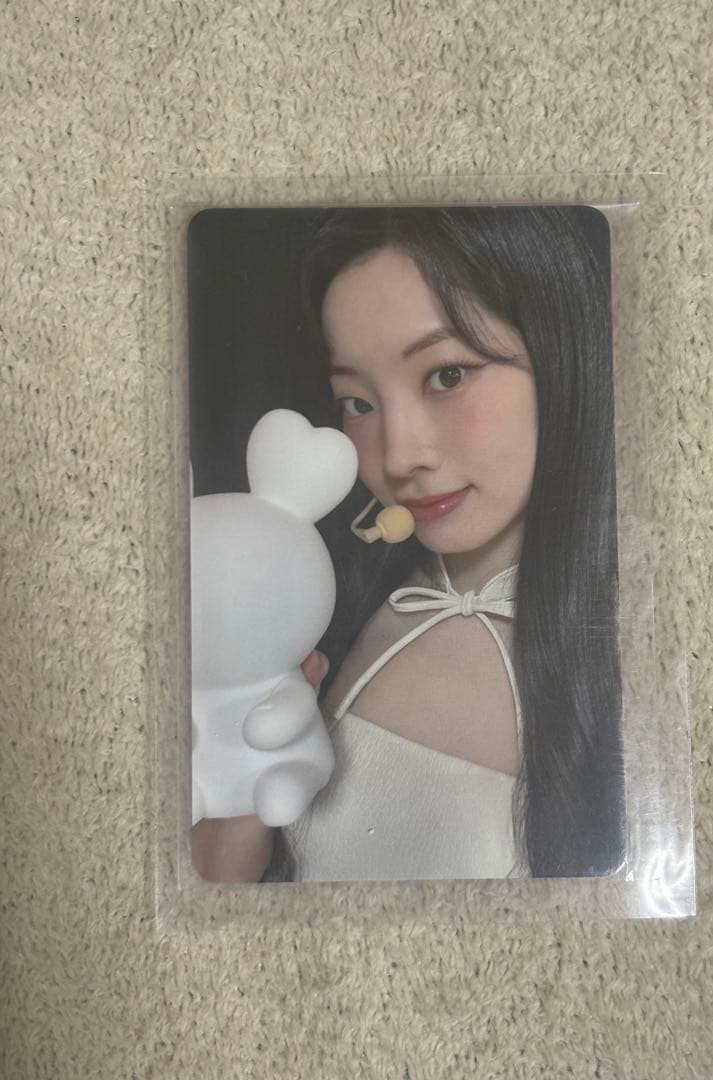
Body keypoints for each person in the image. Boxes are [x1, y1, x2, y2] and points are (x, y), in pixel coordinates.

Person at [191, 205, 626, 883]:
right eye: (357, 403)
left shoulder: (645, 652)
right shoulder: (321, 618)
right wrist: (235, 817)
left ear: (561, 354)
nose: (398, 456)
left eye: (447, 375)